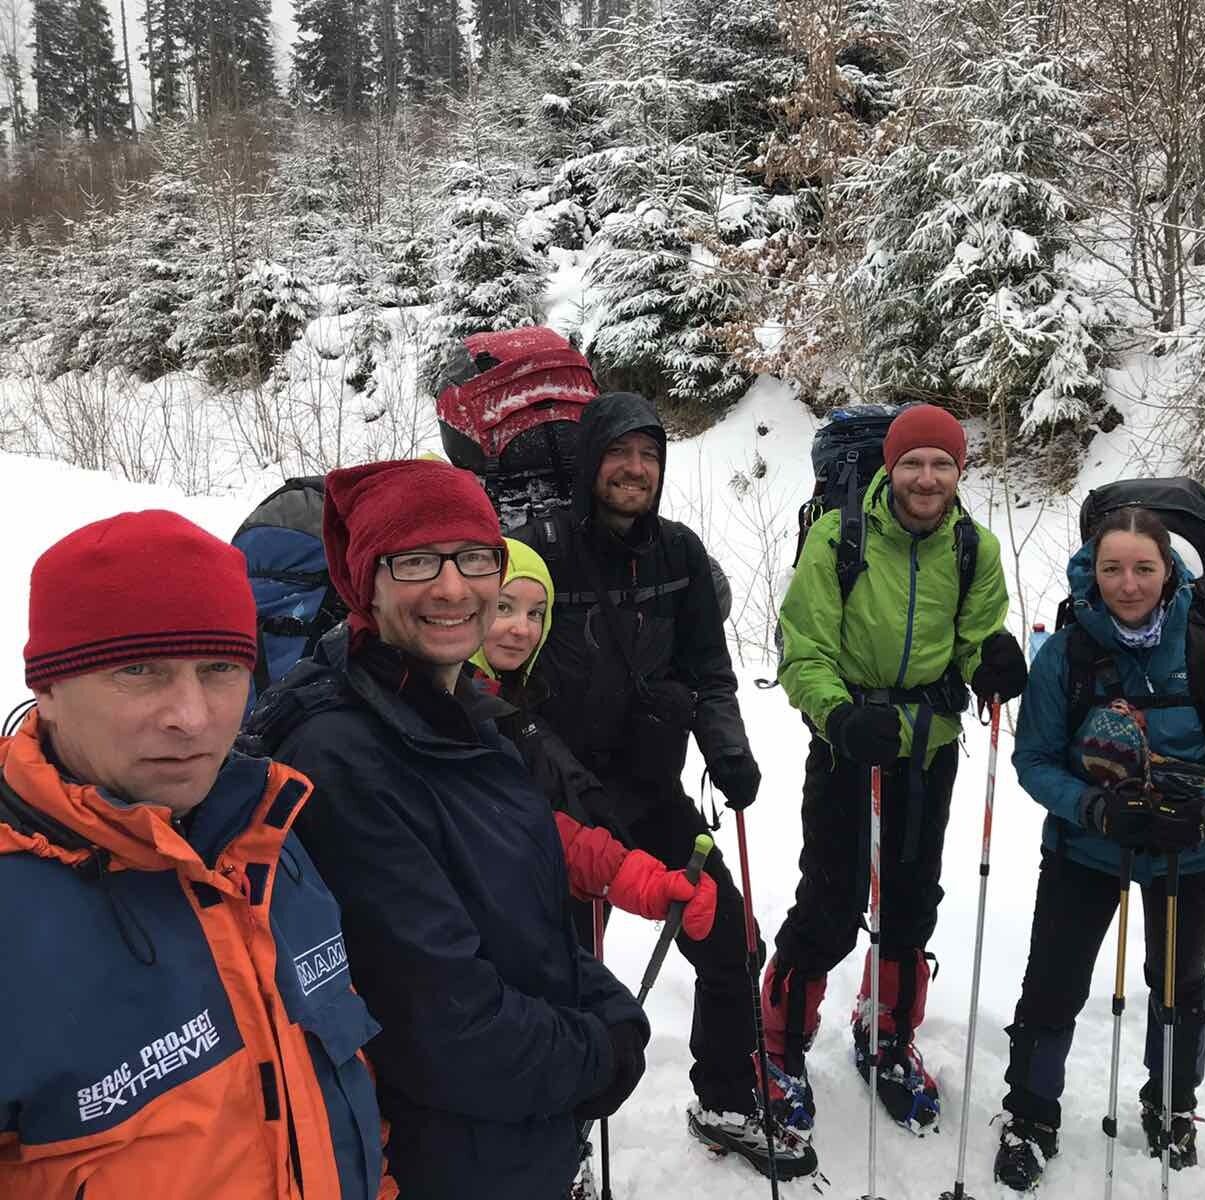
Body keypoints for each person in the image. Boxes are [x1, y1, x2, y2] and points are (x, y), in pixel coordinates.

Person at [243, 459, 648, 1200]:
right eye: (416, 561)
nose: (454, 587)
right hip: (443, 1161)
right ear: (365, 581)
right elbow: (445, 1031)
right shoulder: (343, 757)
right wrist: (603, 1051)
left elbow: (522, 924)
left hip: (512, 1141)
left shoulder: (461, 715)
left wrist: (607, 1005)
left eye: (474, 557)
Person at [0, 510, 393, 1199]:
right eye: (140, 671)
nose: (193, 716)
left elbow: (341, 1090)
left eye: (218, 668)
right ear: (49, 688)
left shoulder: (269, 836)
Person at [511, 391, 796, 1175]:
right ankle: (555, 1137)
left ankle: (728, 1097)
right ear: (589, 461)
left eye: (650, 455)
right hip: (557, 806)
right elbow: (501, 674)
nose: (635, 469)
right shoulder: (538, 551)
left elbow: (709, 670)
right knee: (558, 973)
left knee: (730, 938)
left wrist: (727, 748)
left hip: (651, 787)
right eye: (619, 453)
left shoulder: (679, 554)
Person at [765, 403, 1025, 1144]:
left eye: (941, 463)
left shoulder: (975, 548)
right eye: (913, 462)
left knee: (912, 902)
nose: (926, 477)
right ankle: (777, 1044)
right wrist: (840, 716)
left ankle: (886, 1034)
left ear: (959, 472)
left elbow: (974, 641)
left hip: (927, 749)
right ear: (890, 465)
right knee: (831, 899)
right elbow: (803, 650)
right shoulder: (838, 537)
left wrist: (993, 662)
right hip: (849, 743)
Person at [994, 506, 1205, 1190]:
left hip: (1189, 854)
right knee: (1052, 982)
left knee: (1177, 983)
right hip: (1087, 847)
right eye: (1112, 568)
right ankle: (1030, 1113)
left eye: (1144, 568)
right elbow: (1035, 759)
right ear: (1092, 571)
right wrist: (1091, 805)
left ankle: (1172, 1107)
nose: (1128, 584)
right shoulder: (1067, 653)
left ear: (1169, 572)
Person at [469, 536, 718, 941]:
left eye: (536, 613)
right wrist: (628, 874)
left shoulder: (509, 697)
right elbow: (515, 822)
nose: (522, 628)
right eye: (503, 607)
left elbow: (546, 799)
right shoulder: (457, 706)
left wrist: (609, 836)